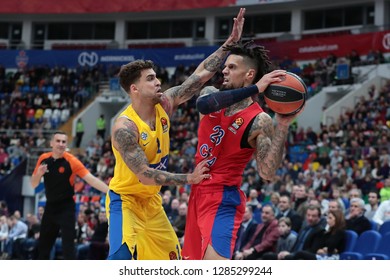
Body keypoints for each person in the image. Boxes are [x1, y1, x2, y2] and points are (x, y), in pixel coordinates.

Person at [105, 8, 249, 260]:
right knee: (121, 260)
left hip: (152, 205)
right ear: (134, 88)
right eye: (150, 79)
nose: (158, 82)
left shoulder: (165, 103)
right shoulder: (124, 128)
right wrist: (189, 179)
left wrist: (229, 44)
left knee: (174, 263)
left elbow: (200, 76)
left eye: (156, 76)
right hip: (125, 201)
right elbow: (146, 175)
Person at [182, 39, 300, 259]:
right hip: (197, 194)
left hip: (223, 199)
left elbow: (267, 172)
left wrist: (282, 126)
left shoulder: (259, 120)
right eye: (225, 66)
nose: (224, 71)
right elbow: (202, 105)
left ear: (249, 74)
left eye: (232, 67)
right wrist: (255, 88)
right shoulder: (210, 95)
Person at [30, 131, 109, 260]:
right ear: (51, 143)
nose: (61, 144)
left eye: (64, 142)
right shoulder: (43, 159)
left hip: (66, 207)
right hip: (50, 207)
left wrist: (110, 191)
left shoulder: (72, 161)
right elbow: (33, 185)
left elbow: (91, 180)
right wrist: (38, 174)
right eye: (58, 141)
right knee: (43, 247)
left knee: (68, 247)